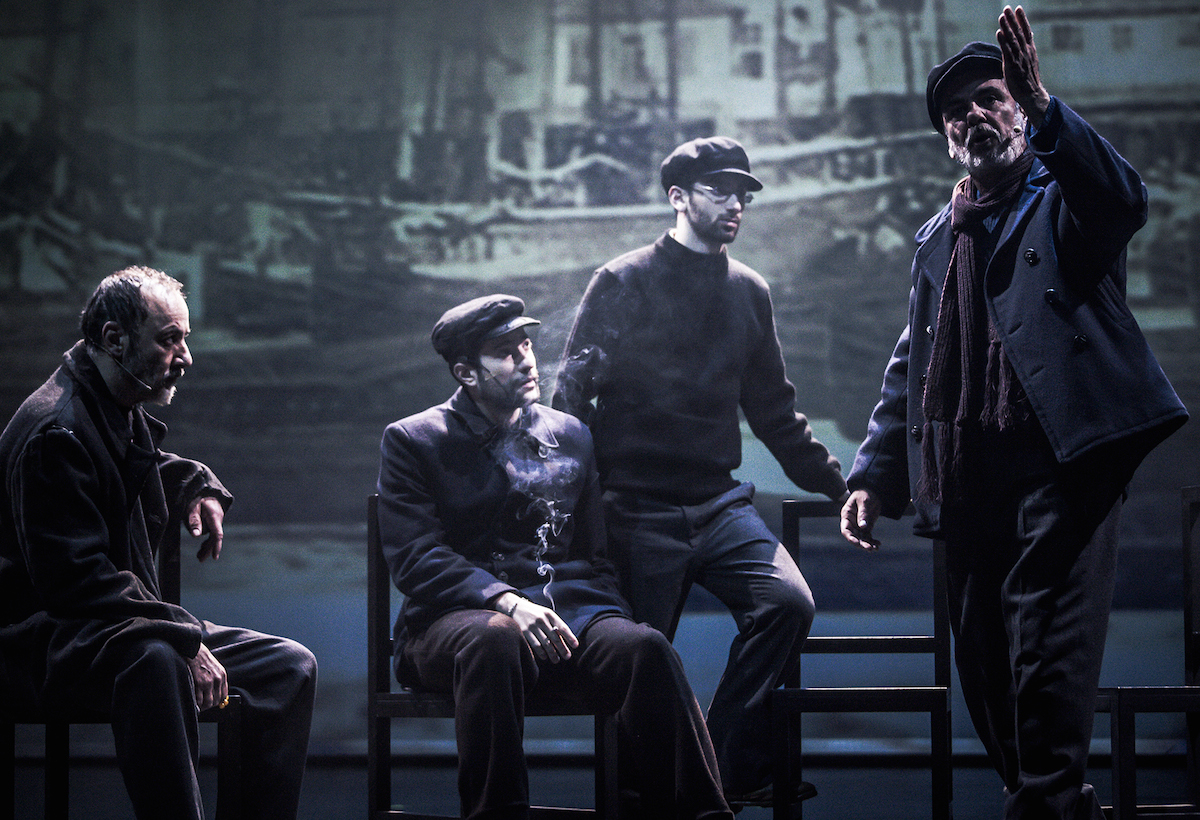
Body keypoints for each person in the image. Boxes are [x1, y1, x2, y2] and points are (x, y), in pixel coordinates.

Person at [840, 8, 1188, 819]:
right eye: (956, 111)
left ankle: (1049, 803)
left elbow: (1122, 199)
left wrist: (1045, 102)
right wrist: (874, 474)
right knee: (986, 665)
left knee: (1047, 659)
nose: (975, 115)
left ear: (1020, 110)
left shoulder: (1063, 198)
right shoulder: (939, 235)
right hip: (967, 473)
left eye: (991, 98)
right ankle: (1050, 800)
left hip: (1061, 463)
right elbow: (914, 359)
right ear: (946, 138)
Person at [552, 136, 848, 806]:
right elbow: (569, 402)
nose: (735, 204)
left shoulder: (750, 292)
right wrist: (579, 511)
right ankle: (645, 798)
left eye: (743, 193)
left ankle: (724, 770)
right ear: (678, 197)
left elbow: (775, 414)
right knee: (637, 660)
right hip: (635, 510)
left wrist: (843, 487)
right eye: (720, 190)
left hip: (719, 507)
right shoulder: (622, 281)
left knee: (787, 605)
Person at [375, 294, 733, 820]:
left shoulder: (569, 434)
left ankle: (703, 815)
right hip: (453, 628)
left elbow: (594, 556)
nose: (526, 360)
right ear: (466, 373)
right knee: (496, 638)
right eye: (505, 352)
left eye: (525, 345)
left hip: (566, 621)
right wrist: (506, 601)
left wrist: (608, 622)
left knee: (644, 648)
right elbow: (415, 557)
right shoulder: (415, 439)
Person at [0, 266, 317, 820]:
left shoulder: (110, 406)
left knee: (287, 667)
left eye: (185, 339)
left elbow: (132, 467)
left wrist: (198, 484)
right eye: (169, 339)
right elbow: (75, 582)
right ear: (115, 339)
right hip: (42, 641)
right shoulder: (57, 430)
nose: (185, 357)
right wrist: (183, 635)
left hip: (107, 629)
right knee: (158, 661)